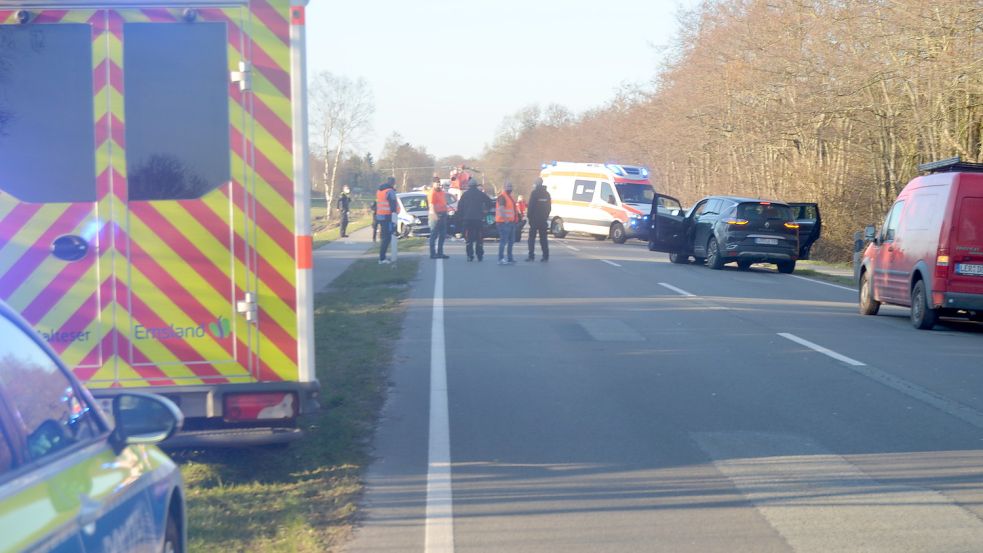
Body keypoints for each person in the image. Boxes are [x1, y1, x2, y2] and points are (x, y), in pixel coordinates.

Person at [456, 177, 493, 262]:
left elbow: (460, 208)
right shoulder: (480, 194)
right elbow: (489, 202)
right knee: (479, 238)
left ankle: (470, 255)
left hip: (467, 220)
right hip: (478, 219)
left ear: (469, 186)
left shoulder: (465, 195)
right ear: (476, 185)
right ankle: (479, 255)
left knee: (469, 239)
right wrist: (486, 211)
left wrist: (461, 219)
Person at [526, 177, 551, 262]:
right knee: (543, 239)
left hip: (534, 220)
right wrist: (545, 217)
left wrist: (529, 217)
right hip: (543, 220)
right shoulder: (547, 194)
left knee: (531, 238)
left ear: (536, 184)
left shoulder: (534, 193)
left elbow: (531, 207)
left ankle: (531, 256)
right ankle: (545, 256)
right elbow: (549, 208)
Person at [375, 177, 399, 264]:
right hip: (387, 217)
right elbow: (393, 205)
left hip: (380, 216)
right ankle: (382, 258)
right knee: (387, 238)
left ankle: (382, 257)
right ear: (393, 183)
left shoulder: (380, 191)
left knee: (384, 237)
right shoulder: (390, 191)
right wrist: (395, 215)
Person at [495, 182, 520, 265]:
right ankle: (500, 258)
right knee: (504, 241)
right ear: (504, 187)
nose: (510, 188)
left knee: (511, 241)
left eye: (510, 186)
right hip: (503, 223)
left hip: (511, 222)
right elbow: (501, 209)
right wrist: (506, 220)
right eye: (508, 186)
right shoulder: (502, 197)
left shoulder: (510, 197)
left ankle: (510, 258)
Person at [428, 178, 450, 259]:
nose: (438, 184)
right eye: (436, 183)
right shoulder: (432, 192)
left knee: (443, 235)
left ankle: (440, 253)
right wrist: (434, 214)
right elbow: (431, 205)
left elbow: (443, 202)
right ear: (433, 184)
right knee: (434, 235)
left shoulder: (441, 192)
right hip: (435, 215)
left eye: (439, 183)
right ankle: (433, 253)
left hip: (443, 214)